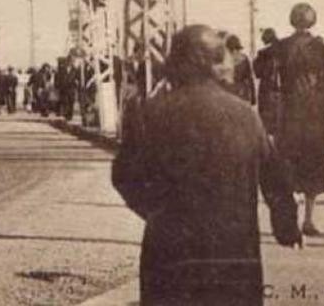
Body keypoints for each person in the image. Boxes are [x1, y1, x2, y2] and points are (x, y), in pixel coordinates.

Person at [113, 25, 301, 306]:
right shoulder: (245, 116)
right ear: (210, 64)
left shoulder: (148, 113)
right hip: (234, 252)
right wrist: (286, 226)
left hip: (169, 253)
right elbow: (275, 176)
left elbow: (124, 176)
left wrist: (157, 213)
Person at [275, 2, 324, 237]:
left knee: (288, 165)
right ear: (312, 21)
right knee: (313, 164)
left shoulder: (281, 48)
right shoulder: (321, 48)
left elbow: (271, 84)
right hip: (315, 114)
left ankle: (291, 219)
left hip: (289, 113)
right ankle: (308, 219)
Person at [254, 28, 280, 134]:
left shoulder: (262, 53)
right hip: (283, 91)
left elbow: (257, 73)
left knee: (267, 123)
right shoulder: (285, 50)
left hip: (267, 90)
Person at [226, 34, 256, 105]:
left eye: (237, 49)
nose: (236, 51)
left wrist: (253, 97)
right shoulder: (243, 58)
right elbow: (250, 78)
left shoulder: (243, 59)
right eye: (234, 49)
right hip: (238, 92)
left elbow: (250, 78)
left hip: (238, 92)